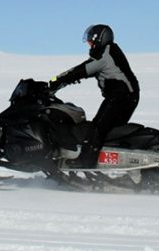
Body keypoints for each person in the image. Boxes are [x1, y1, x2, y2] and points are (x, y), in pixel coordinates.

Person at [49, 24, 140, 167]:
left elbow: (80, 70)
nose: (89, 44)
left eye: (91, 40)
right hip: (127, 96)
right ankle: (111, 164)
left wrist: (55, 81)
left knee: (97, 127)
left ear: (100, 39)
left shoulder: (104, 55)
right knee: (111, 133)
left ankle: (86, 161)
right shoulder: (110, 52)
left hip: (120, 97)